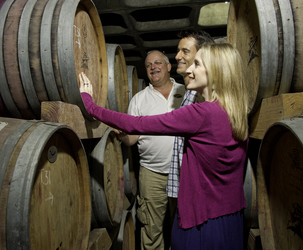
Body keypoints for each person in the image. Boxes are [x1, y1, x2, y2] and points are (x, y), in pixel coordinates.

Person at [79, 42, 248, 249]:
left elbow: (136, 123)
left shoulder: (201, 113)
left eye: (196, 64)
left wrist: (90, 105)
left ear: (215, 72)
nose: (188, 69)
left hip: (202, 221)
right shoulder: (235, 111)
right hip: (231, 217)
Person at [117, 50, 185, 249]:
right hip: (152, 173)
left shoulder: (187, 92)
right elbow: (131, 139)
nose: (153, 67)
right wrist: (121, 133)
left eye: (158, 63)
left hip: (184, 171)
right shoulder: (139, 99)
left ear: (168, 66)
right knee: (150, 228)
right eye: (148, 65)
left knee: (183, 225)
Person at [167, 30, 215, 199]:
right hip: (186, 188)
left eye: (185, 51)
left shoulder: (205, 95)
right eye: (179, 50)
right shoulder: (190, 91)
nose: (177, 56)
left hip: (199, 192)